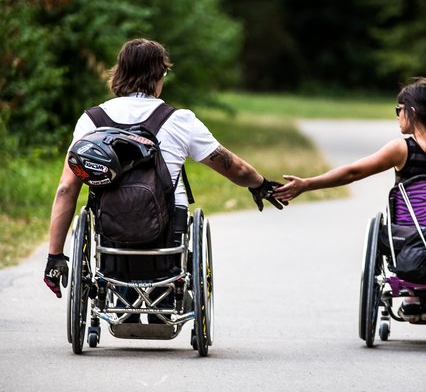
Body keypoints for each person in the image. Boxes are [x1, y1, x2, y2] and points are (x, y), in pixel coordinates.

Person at [44, 38, 285, 298]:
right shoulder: (179, 121)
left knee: (111, 226)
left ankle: (123, 295)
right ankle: (167, 292)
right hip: (167, 231)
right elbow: (234, 167)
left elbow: (66, 189)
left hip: (112, 228)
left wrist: (54, 256)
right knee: (171, 232)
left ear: (119, 72)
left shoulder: (91, 121)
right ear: (159, 75)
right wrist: (259, 184)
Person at [274, 77, 426, 322]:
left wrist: (307, 184)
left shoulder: (401, 149)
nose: (397, 116)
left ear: (412, 112)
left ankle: (414, 297)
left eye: (399, 110)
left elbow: (353, 172)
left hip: (403, 240)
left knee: (392, 231)